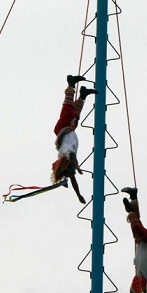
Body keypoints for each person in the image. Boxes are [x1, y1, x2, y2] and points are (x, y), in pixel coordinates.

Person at [51, 75, 97, 204]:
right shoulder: (68, 164)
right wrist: (79, 195)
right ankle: (83, 95)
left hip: (63, 128)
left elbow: (72, 158)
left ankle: (71, 84)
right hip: (70, 128)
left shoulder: (65, 154)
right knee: (76, 115)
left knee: (68, 109)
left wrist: (78, 167)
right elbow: (73, 181)